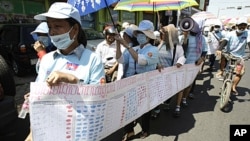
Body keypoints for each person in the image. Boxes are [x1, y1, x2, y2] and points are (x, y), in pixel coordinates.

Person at [23, 2, 105, 141]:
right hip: (48, 132)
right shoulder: (47, 60)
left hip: (80, 133)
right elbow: (38, 101)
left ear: (75, 30)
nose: (52, 32)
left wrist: (74, 81)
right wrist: (32, 132)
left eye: (58, 26)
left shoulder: (93, 59)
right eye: (50, 27)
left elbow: (100, 102)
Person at [115, 20, 159, 140]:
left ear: (149, 37)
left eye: (142, 34)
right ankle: (129, 131)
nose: (140, 36)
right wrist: (118, 43)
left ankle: (145, 129)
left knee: (145, 109)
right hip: (130, 84)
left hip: (145, 85)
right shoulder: (134, 48)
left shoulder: (153, 50)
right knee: (128, 108)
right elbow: (120, 59)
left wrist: (125, 44)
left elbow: (141, 61)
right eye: (138, 34)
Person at [155, 24, 186, 117]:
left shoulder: (177, 47)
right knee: (157, 91)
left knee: (171, 90)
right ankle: (156, 110)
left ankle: (172, 104)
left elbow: (182, 56)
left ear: (170, 35)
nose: (162, 35)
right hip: (158, 73)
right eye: (161, 33)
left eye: (164, 33)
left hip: (170, 73)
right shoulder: (159, 44)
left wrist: (180, 62)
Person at [216, 17, 250, 95]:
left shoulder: (247, 33)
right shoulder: (230, 34)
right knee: (227, 70)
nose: (242, 27)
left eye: (244, 26)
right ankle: (223, 76)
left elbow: (249, 42)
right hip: (229, 54)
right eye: (240, 25)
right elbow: (225, 41)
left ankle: (233, 87)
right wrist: (219, 49)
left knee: (239, 73)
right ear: (237, 26)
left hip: (240, 56)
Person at [178, 17, 207, 108]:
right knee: (181, 86)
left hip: (194, 65)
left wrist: (201, 59)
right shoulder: (182, 37)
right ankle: (177, 106)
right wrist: (185, 37)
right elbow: (180, 51)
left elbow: (205, 51)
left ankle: (184, 99)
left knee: (189, 85)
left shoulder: (202, 38)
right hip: (182, 65)